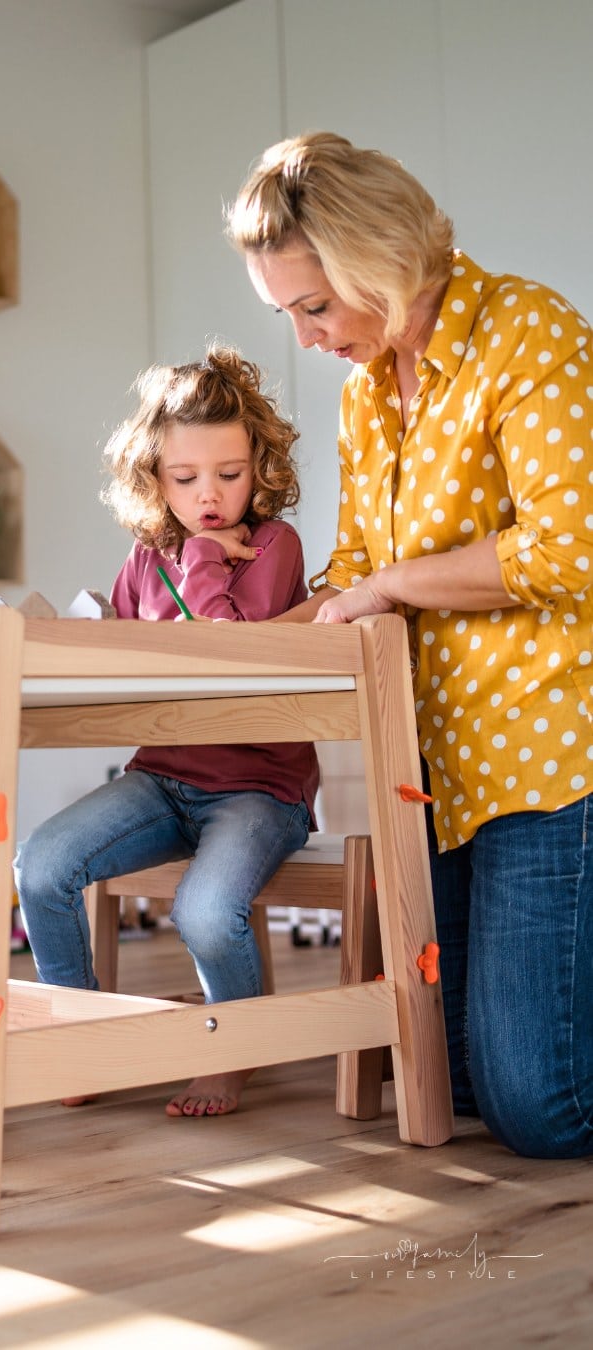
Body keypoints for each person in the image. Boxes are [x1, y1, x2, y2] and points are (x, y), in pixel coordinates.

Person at [226, 130, 592, 1159]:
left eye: (316, 306)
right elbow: (352, 567)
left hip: (554, 755)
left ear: (378, 259)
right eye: (287, 312)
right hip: (438, 763)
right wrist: (238, 651)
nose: (305, 338)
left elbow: (571, 547)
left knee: (542, 1110)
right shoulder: (365, 393)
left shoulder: (528, 331)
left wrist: (387, 585)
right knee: (466, 1085)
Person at [14, 345, 319, 1118]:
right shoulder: (143, 558)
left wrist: (207, 561)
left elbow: (226, 655)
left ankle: (232, 1051)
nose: (210, 496)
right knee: (41, 867)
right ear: (153, 477)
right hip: (160, 777)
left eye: (229, 474)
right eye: (186, 479)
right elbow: (128, 662)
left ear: (260, 468)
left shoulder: (273, 546)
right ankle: (81, 1040)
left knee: (203, 913)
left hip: (258, 787)